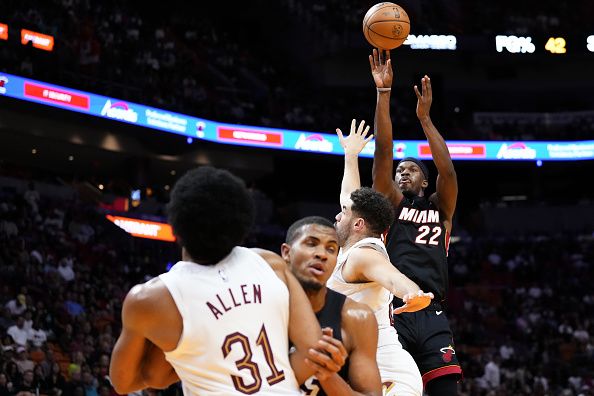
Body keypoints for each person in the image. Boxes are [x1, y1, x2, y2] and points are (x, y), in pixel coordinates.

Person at [109, 166, 345, 395]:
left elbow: (126, 382)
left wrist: (195, 362)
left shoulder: (148, 299)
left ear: (175, 229)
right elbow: (315, 353)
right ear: (241, 228)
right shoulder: (270, 263)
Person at [370, 49, 463, 395]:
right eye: (400, 171)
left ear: (425, 181)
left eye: (410, 169)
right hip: (395, 309)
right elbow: (382, 159)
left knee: (447, 390)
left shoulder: (442, 208)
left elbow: (448, 171)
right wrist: (383, 95)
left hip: (432, 311)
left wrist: (425, 119)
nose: (401, 172)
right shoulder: (391, 205)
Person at [328, 120, 434, 396]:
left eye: (344, 213)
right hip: (365, 367)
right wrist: (351, 155)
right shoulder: (354, 247)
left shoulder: (364, 255)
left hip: (388, 373)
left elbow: (392, 276)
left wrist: (412, 293)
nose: (337, 215)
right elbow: (347, 195)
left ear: (358, 224)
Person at [260, 216, 383, 396]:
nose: (322, 254)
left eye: (331, 249)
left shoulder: (356, 317)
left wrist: (327, 375)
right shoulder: (258, 301)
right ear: (286, 253)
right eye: (311, 244)